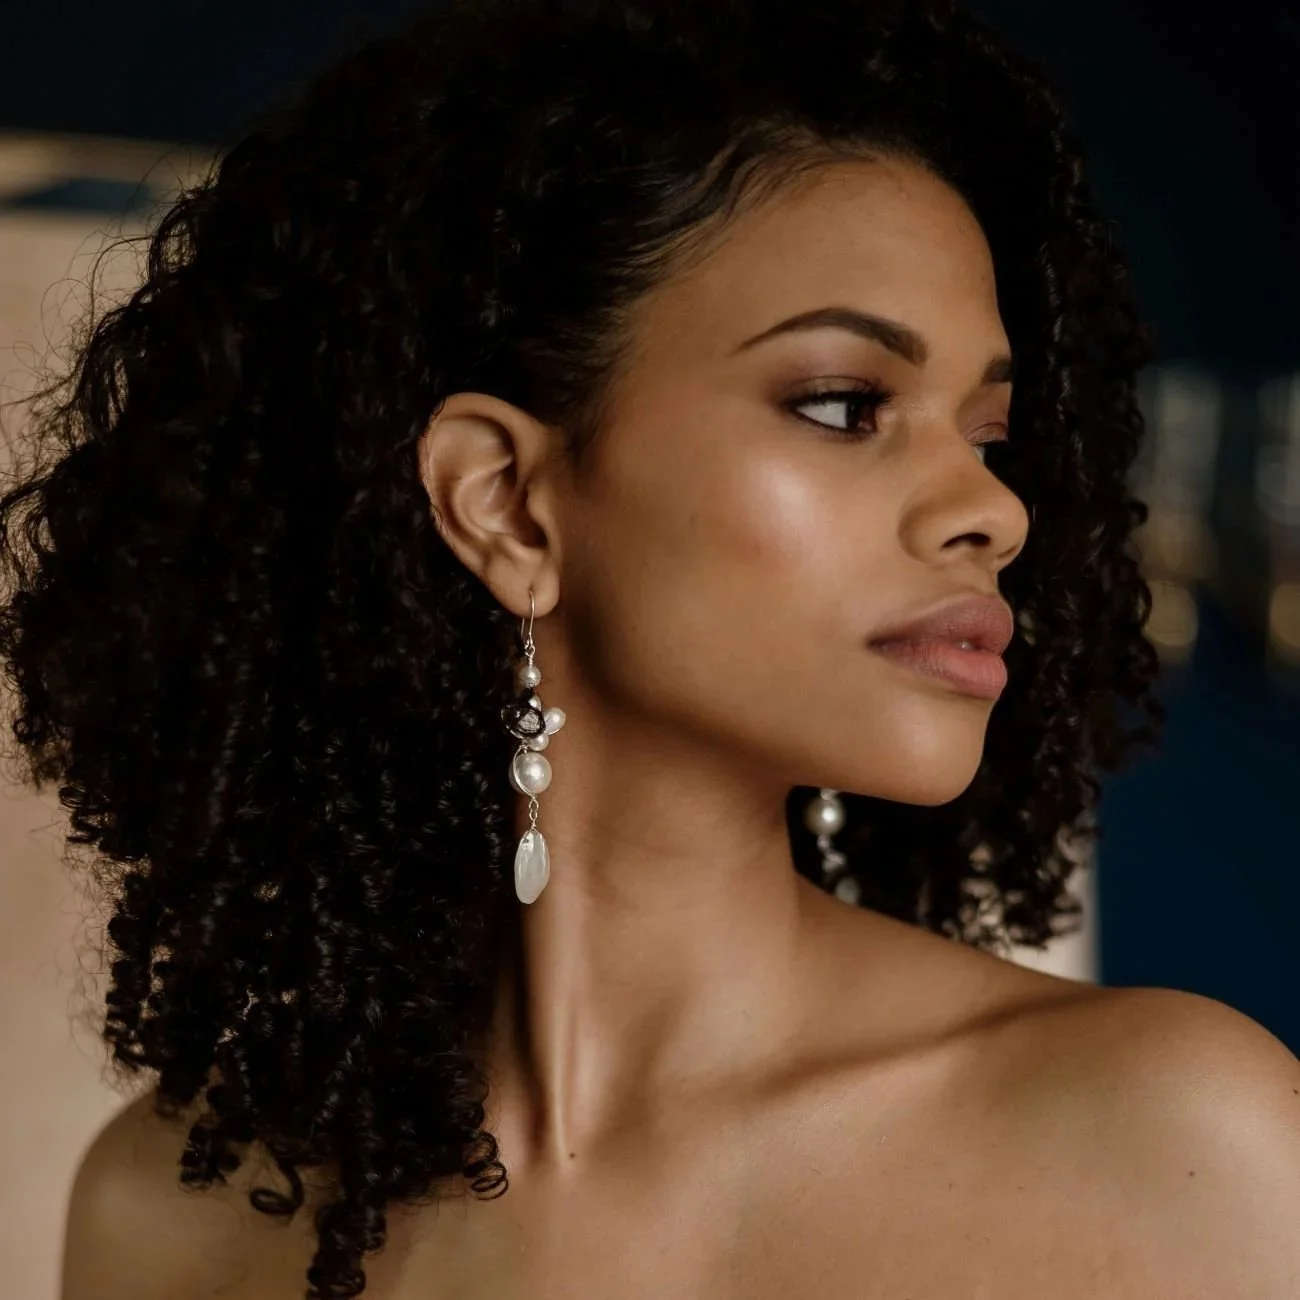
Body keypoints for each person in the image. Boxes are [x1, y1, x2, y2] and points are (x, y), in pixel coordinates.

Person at [2, 0, 1295, 1296]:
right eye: (845, 405)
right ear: (503, 500)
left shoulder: (1183, 1145)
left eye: (988, 434)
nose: (995, 511)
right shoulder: (176, 1213)